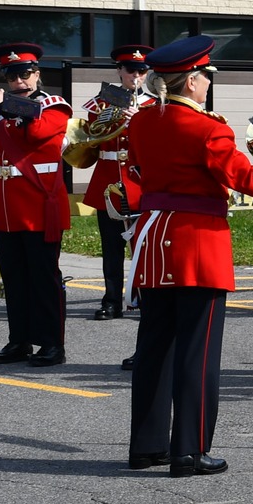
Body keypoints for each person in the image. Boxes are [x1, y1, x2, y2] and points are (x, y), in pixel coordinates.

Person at [126, 36, 253, 477]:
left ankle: (147, 445)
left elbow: (138, 169)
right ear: (191, 81)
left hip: (154, 239)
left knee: (154, 347)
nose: (207, 83)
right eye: (205, 76)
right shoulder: (208, 128)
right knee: (197, 354)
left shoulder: (143, 120)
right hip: (197, 241)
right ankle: (188, 450)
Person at [0, 42, 71, 367]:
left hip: (40, 204)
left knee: (44, 278)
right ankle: (20, 340)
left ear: (37, 74)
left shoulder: (54, 106)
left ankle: (52, 344)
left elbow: (36, 134)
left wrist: (6, 106)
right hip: (8, 208)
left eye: (25, 74)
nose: (19, 81)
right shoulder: (1, 111)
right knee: (14, 279)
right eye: (12, 77)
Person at [81, 43, 153, 321]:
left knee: (142, 246)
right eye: (130, 70)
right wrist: (112, 116)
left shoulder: (155, 105)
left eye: (141, 71)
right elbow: (91, 136)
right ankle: (111, 301)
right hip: (109, 179)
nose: (136, 76)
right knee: (111, 248)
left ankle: (144, 297)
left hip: (140, 181)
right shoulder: (102, 103)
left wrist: (140, 123)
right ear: (119, 71)